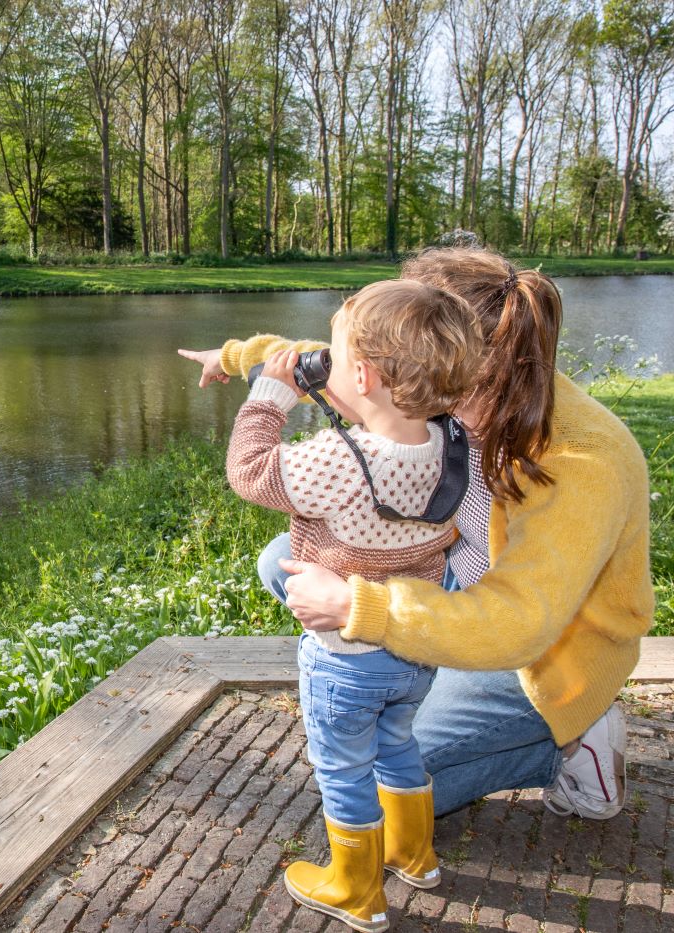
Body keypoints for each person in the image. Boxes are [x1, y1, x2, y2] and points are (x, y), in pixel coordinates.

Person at [177, 246, 652, 829]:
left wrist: (359, 606)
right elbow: (323, 359)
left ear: (455, 358)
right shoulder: (432, 378)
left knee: (372, 792)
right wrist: (234, 359)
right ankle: (419, 675)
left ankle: (573, 740)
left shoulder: (583, 460)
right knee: (287, 560)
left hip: (543, 654)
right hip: (450, 576)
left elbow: (520, 624)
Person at [224, 279, 483, 933]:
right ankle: (414, 853)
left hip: (346, 654)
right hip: (411, 645)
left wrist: (269, 396)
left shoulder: (339, 459)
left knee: (342, 766)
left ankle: (356, 888)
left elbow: (250, 471)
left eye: (335, 359)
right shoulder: (450, 445)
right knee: (398, 744)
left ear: (362, 375)